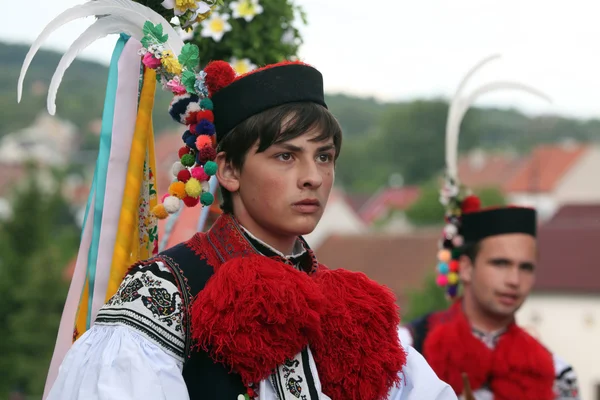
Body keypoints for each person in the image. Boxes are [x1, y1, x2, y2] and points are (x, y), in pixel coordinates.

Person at [46, 58, 457, 399]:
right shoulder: (164, 291)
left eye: (325, 157)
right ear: (228, 169)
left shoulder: (350, 309)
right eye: (285, 157)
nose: (313, 176)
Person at [399, 199, 580, 400]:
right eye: (500, 263)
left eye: (526, 267)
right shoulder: (407, 350)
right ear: (466, 268)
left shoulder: (557, 373)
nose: (514, 280)